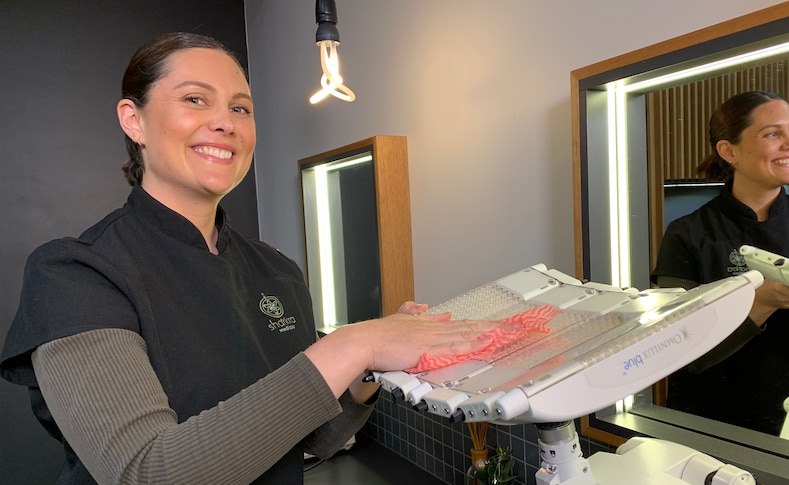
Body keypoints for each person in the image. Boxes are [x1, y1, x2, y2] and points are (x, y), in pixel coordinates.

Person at [0, 32, 509, 484]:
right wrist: (355, 344)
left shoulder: (277, 271)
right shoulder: (76, 274)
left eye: (241, 108)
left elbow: (315, 438)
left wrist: (368, 368)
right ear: (134, 121)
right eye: (196, 100)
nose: (225, 123)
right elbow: (148, 472)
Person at [651, 90, 789, 435]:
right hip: (712, 425)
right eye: (773, 134)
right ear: (728, 151)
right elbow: (678, 350)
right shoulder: (688, 233)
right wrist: (761, 303)